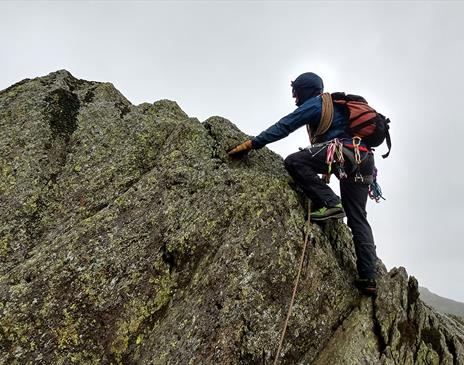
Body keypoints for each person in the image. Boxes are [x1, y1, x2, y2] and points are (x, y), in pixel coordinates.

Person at [227, 72, 379, 295]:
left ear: (305, 90)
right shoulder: (337, 106)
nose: (295, 98)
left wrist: (252, 144)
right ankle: (368, 278)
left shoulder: (316, 104)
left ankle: (330, 203)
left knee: (295, 161)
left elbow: (284, 126)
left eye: (296, 93)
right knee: (358, 218)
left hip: (341, 153)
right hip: (363, 159)